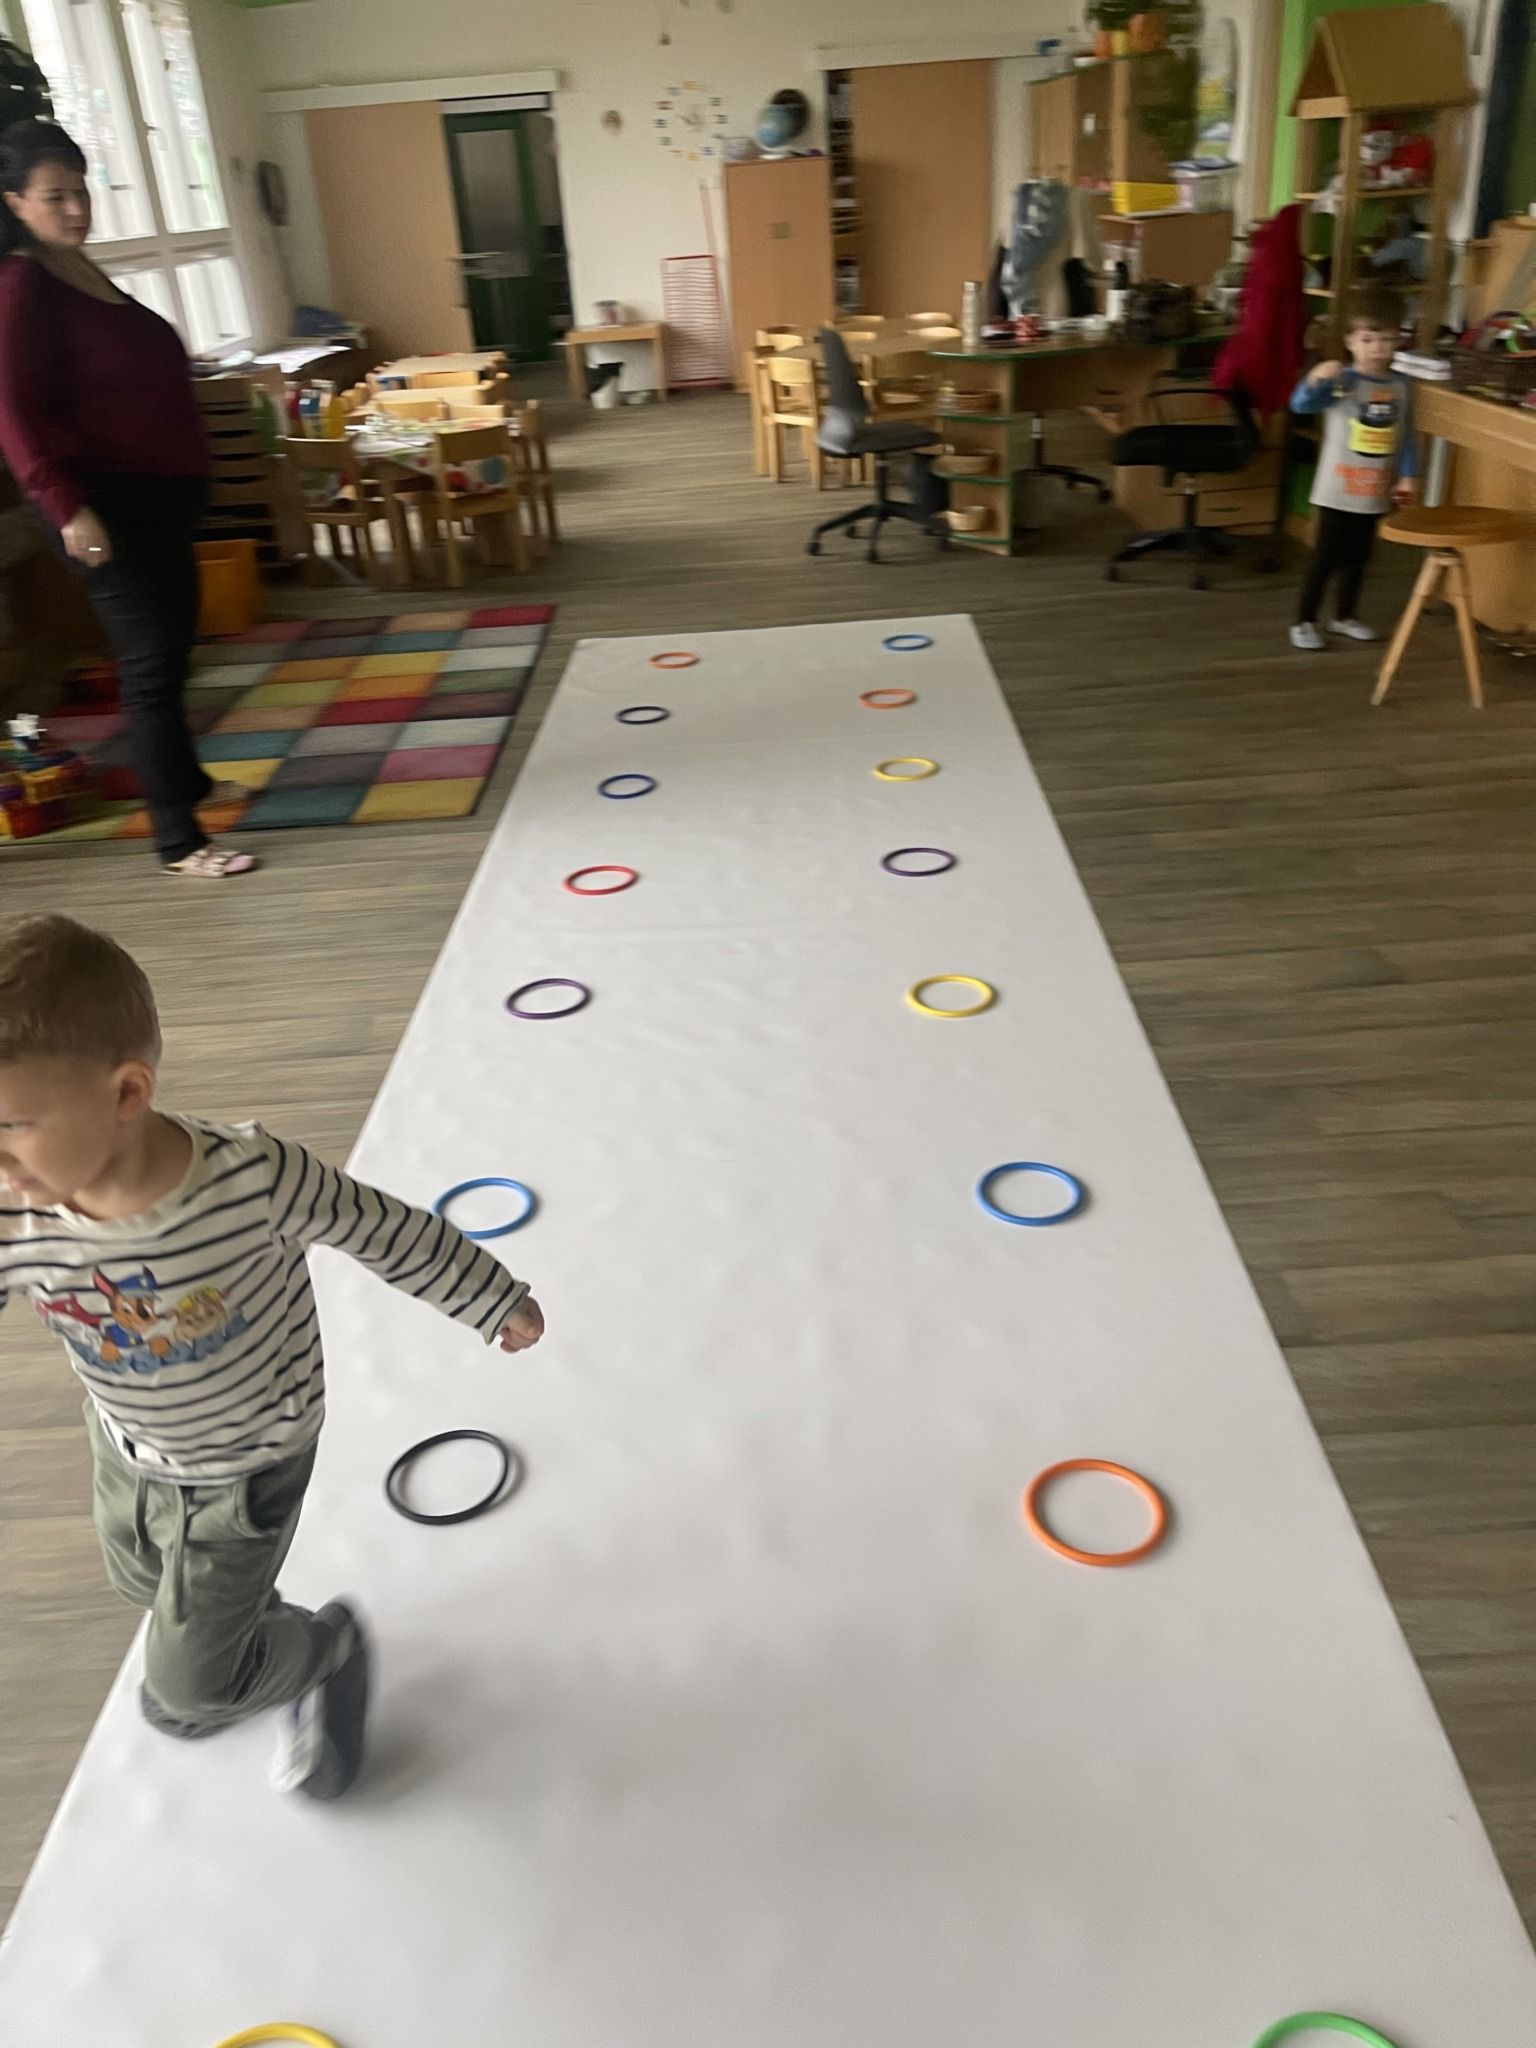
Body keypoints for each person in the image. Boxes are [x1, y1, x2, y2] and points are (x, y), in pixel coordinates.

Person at [0, 914, 547, 1799]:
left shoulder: (250, 1178)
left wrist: (487, 1296)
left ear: (127, 1092)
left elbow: (382, 1228)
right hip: (126, 1443)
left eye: (13, 1125)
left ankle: (327, 1649)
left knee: (184, 1698)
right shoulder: (13, 1212)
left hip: (247, 1462)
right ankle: (241, 1626)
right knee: (138, 1576)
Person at [0, 120, 253, 878]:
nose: (76, 209)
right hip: (102, 505)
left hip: (157, 498)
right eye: (55, 196)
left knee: (173, 654)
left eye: (81, 191)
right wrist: (67, 509)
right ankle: (179, 840)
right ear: (13, 201)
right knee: (150, 668)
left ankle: (189, 784)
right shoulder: (21, 283)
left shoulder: (75, 265)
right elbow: (11, 413)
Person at [1288, 286, 1419, 652]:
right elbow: (1301, 405)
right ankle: (1304, 620)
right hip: (1337, 488)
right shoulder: (1343, 380)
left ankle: (1344, 615)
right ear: (1350, 341)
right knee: (1325, 556)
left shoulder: (1401, 385)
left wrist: (1409, 474)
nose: (1378, 348)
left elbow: (1406, 434)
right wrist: (1316, 378)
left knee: (1360, 558)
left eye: (1388, 339)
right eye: (1368, 339)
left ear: (1399, 340)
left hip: (1374, 488)